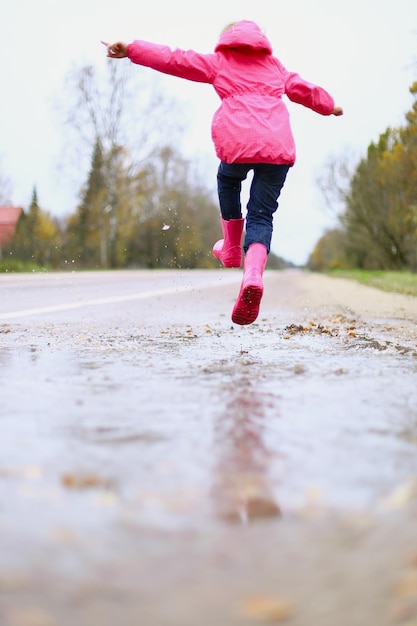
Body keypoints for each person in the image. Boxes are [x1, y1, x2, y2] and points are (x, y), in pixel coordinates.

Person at [105, 20, 343, 325]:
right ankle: (253, 276)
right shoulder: (274, 67)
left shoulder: (220, 62)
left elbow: (175, 59)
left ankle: (231, 249)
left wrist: (133, 50)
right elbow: (304, 90)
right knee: (261, 216)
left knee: (228, 180)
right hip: (277, 146)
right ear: (261, 42)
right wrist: (330, 106)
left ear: (227, 40)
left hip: (238, 142)